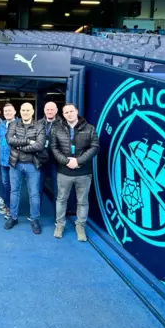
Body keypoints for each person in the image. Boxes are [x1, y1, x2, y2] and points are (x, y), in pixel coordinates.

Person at [50, 103, 100, 242]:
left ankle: (80, 227)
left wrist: (78, 161)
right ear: (63, 114)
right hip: (64, 172)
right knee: (61, 200)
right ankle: (60, 225)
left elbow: (95, 147)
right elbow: (54, 148)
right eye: (66, 112)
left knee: (82, 201)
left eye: (72, 111)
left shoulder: (89, 128)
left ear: (76, 111)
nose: (69, 114)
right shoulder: (57, 129)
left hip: (83, 173)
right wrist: (66, 161)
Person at [4, 102, 45, 234]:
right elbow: (10, 140)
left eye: (28, 110)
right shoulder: (13, 124)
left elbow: (39, 145)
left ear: (32, 111)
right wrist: (28, 141)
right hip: (15, 164)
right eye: (23, 110)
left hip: (33, 165)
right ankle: (13, 217)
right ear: (19, 111)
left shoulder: (39, 126)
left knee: (34, 194)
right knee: (14, 191)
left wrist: (20, 146)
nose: (25, 112)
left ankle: (35, 219)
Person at [0, 103, 18, 219]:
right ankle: (8, 206)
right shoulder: (0, 126)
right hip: (3, 162)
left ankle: (13, 209)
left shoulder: (19, 124)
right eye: (5, 111)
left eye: (10, 111)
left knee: (15, 186)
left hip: (16, 162)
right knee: (6, 185)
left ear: (14, 112)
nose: (8, 113)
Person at [38, 102, 61, 206]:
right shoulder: (38, 123)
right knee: (37, 188)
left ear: (56, 110)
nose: (49, 111)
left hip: (55, 162)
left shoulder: (62, 124)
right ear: (44, 111)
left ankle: (58, 216)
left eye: (52, 109)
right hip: (40, 160)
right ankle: (36, 214)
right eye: (47, 109)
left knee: (57, 189)